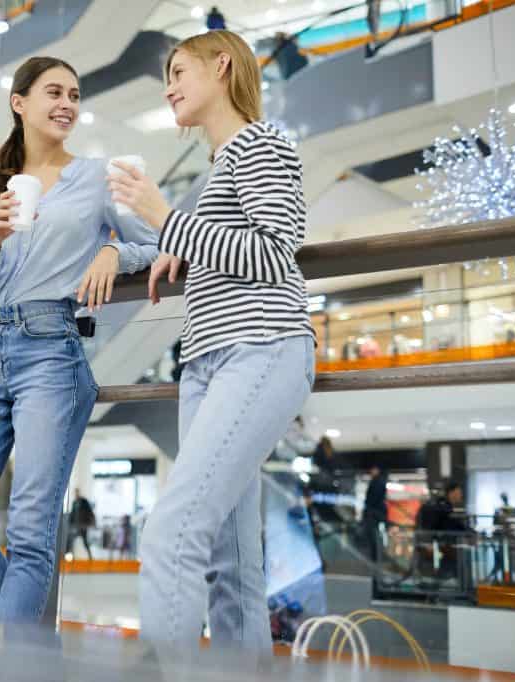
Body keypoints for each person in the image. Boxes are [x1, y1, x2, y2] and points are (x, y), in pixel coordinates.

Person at [0, 56, 159, 624]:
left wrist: (113, 250)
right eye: (54, 92)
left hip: (51, 353)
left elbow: (161, 242)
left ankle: (11, 657)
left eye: (74, 95)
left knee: (31, 530)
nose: (67, 104)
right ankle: (28, 649)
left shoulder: (97, 178)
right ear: (20, 103)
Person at [106, 30, 316, 649]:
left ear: (221, 65)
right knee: (231, 558)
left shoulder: (261, 142)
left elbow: (274, 254)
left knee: (173, 531)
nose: (168, 85)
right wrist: (170, 245)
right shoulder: (222, 163)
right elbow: (225, 243)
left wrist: (166, 217)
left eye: (178, 70)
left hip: (261, 348)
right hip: (207, 364)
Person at [362, 465, 388, 562]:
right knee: (375, 537)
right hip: (376, 514)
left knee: (374, 538)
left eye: (373, 469)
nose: (371, 471)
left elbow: (372, 499)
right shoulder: (379, 481)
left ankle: (376, 557)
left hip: (374, 515)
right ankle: (377, 557)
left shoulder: (378, 482)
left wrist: (369, 510)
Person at [66, 488, 96, 561]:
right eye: (75, 493)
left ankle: (90, 557)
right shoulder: (74, 503)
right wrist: (70, 523)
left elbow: (89, 511)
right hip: (75, 526)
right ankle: (70, 557)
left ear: (79, 493)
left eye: (77, 492)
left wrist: (91, 522)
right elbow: (72, 514)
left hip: (83, 525)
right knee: (70, 540)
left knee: (85, 542)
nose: (76, 494)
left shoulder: (84, 501)